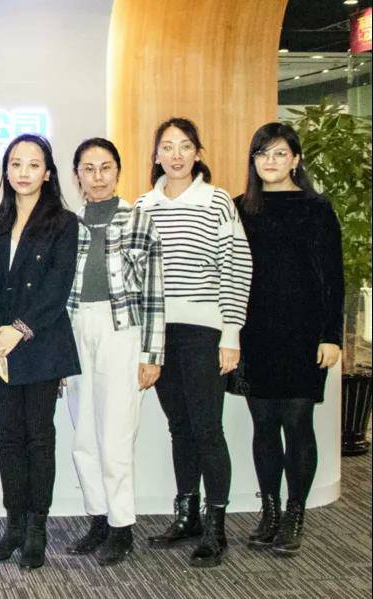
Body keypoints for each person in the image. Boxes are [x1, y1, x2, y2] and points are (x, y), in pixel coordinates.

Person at [135, 117, 251, 568]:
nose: (176, 155)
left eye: (185, 146)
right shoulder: (143, 205)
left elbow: (237, 267)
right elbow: (137, 276)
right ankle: (188, 516)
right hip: (160, 333)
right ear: (156, 155)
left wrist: (231, 334)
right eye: (167, 147)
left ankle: (216, 525)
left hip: (205, 332)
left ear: (198, 153)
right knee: (179, 427)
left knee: (207, 429)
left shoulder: (216, 201)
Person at [236, 122, 343, 556]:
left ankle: (295, 513)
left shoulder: (317, 208)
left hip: (304, 334)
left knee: (297, 423)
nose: (271, 161)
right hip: (255, 334)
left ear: (295, 160)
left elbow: (333, 277)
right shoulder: (240, 208)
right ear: (253, 160)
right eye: (263, 153)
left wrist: (331, 335)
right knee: (263, 424)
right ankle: (270, 511)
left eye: (280, 153)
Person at [63, 138, 165, 566]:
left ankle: (122, 525)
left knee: (116, 433)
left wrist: (152, 354)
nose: (97, 177)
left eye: (105, 167)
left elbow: (155, 292)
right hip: (75, 329)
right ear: (77, 176)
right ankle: (98, 519)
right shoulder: (68, 224)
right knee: (84, 433)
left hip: (122, 330)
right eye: (88, 169)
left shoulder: (139, 220)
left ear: (118, 172)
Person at [0, 134, 79, 570]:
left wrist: (17, 331)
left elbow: (57, 288)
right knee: (8, 437)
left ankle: (37, 529)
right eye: (16, 164)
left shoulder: (64, 222)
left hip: (40, 344)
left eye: (33, 164)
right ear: (6, 170)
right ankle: (14, 526)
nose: (24, 172)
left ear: (48, 173)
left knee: (39, 437)